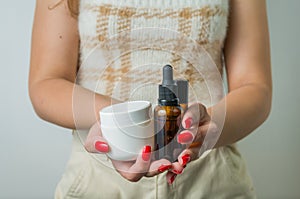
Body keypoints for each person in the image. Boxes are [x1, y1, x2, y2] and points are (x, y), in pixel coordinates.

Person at [29, 0, 272, 198]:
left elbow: (255, 87)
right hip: (97, 179)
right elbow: (46, 82)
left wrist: (204, 131)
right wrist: (122, 124)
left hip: (212, 178)